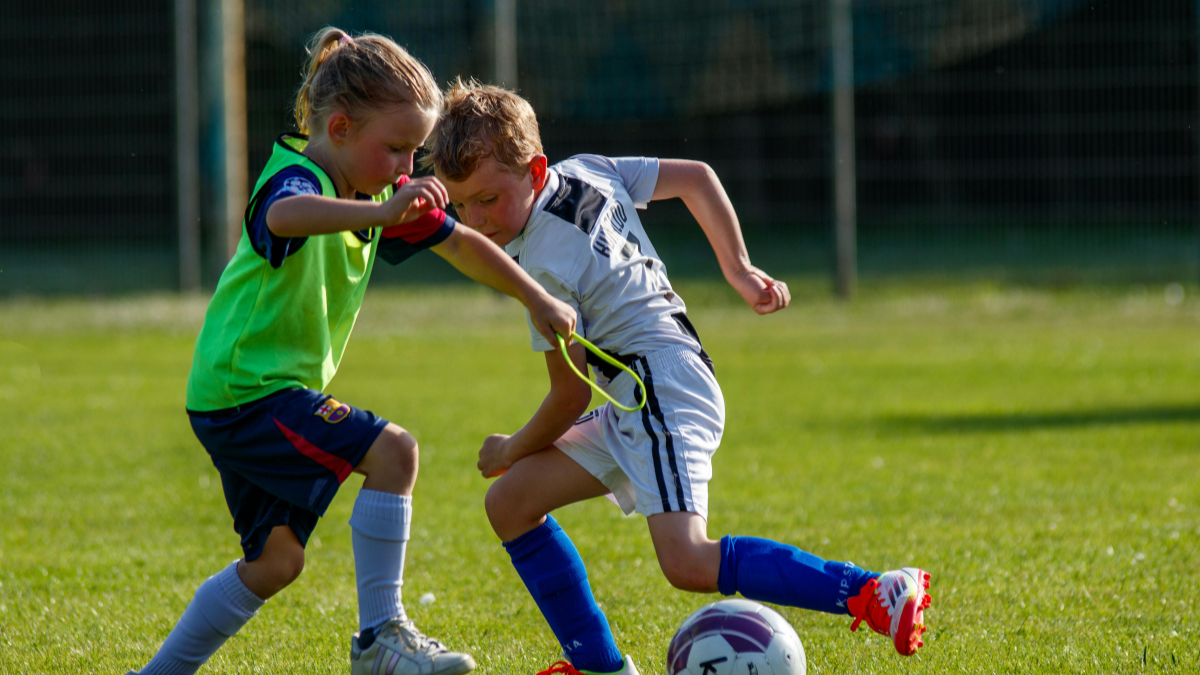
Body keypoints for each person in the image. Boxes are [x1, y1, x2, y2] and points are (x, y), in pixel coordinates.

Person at [423, 80, 933, 675]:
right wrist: (737, 269)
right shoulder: (585, 168)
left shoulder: (544, 263)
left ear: (534, 171)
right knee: (511, 503)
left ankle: (875, 592)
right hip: (649, 387)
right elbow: (696, 177)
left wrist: (511, 445)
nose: (477, 220)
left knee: (687, 561)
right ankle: (598, 666)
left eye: (488, 199)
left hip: (658, 390)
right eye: (462, 207)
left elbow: (566, 397)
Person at [130, 32, 576, 675]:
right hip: (248, 392)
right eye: (395, 148)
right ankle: (380, 640)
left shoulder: (375, 197)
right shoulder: (297, 178)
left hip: (243, 396)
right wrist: (382, 211)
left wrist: (533, 297)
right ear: (338, 127)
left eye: (414, 150)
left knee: (276, 563)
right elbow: (284, 218)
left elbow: (461, 246)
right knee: (395, 451)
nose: (406, 165)